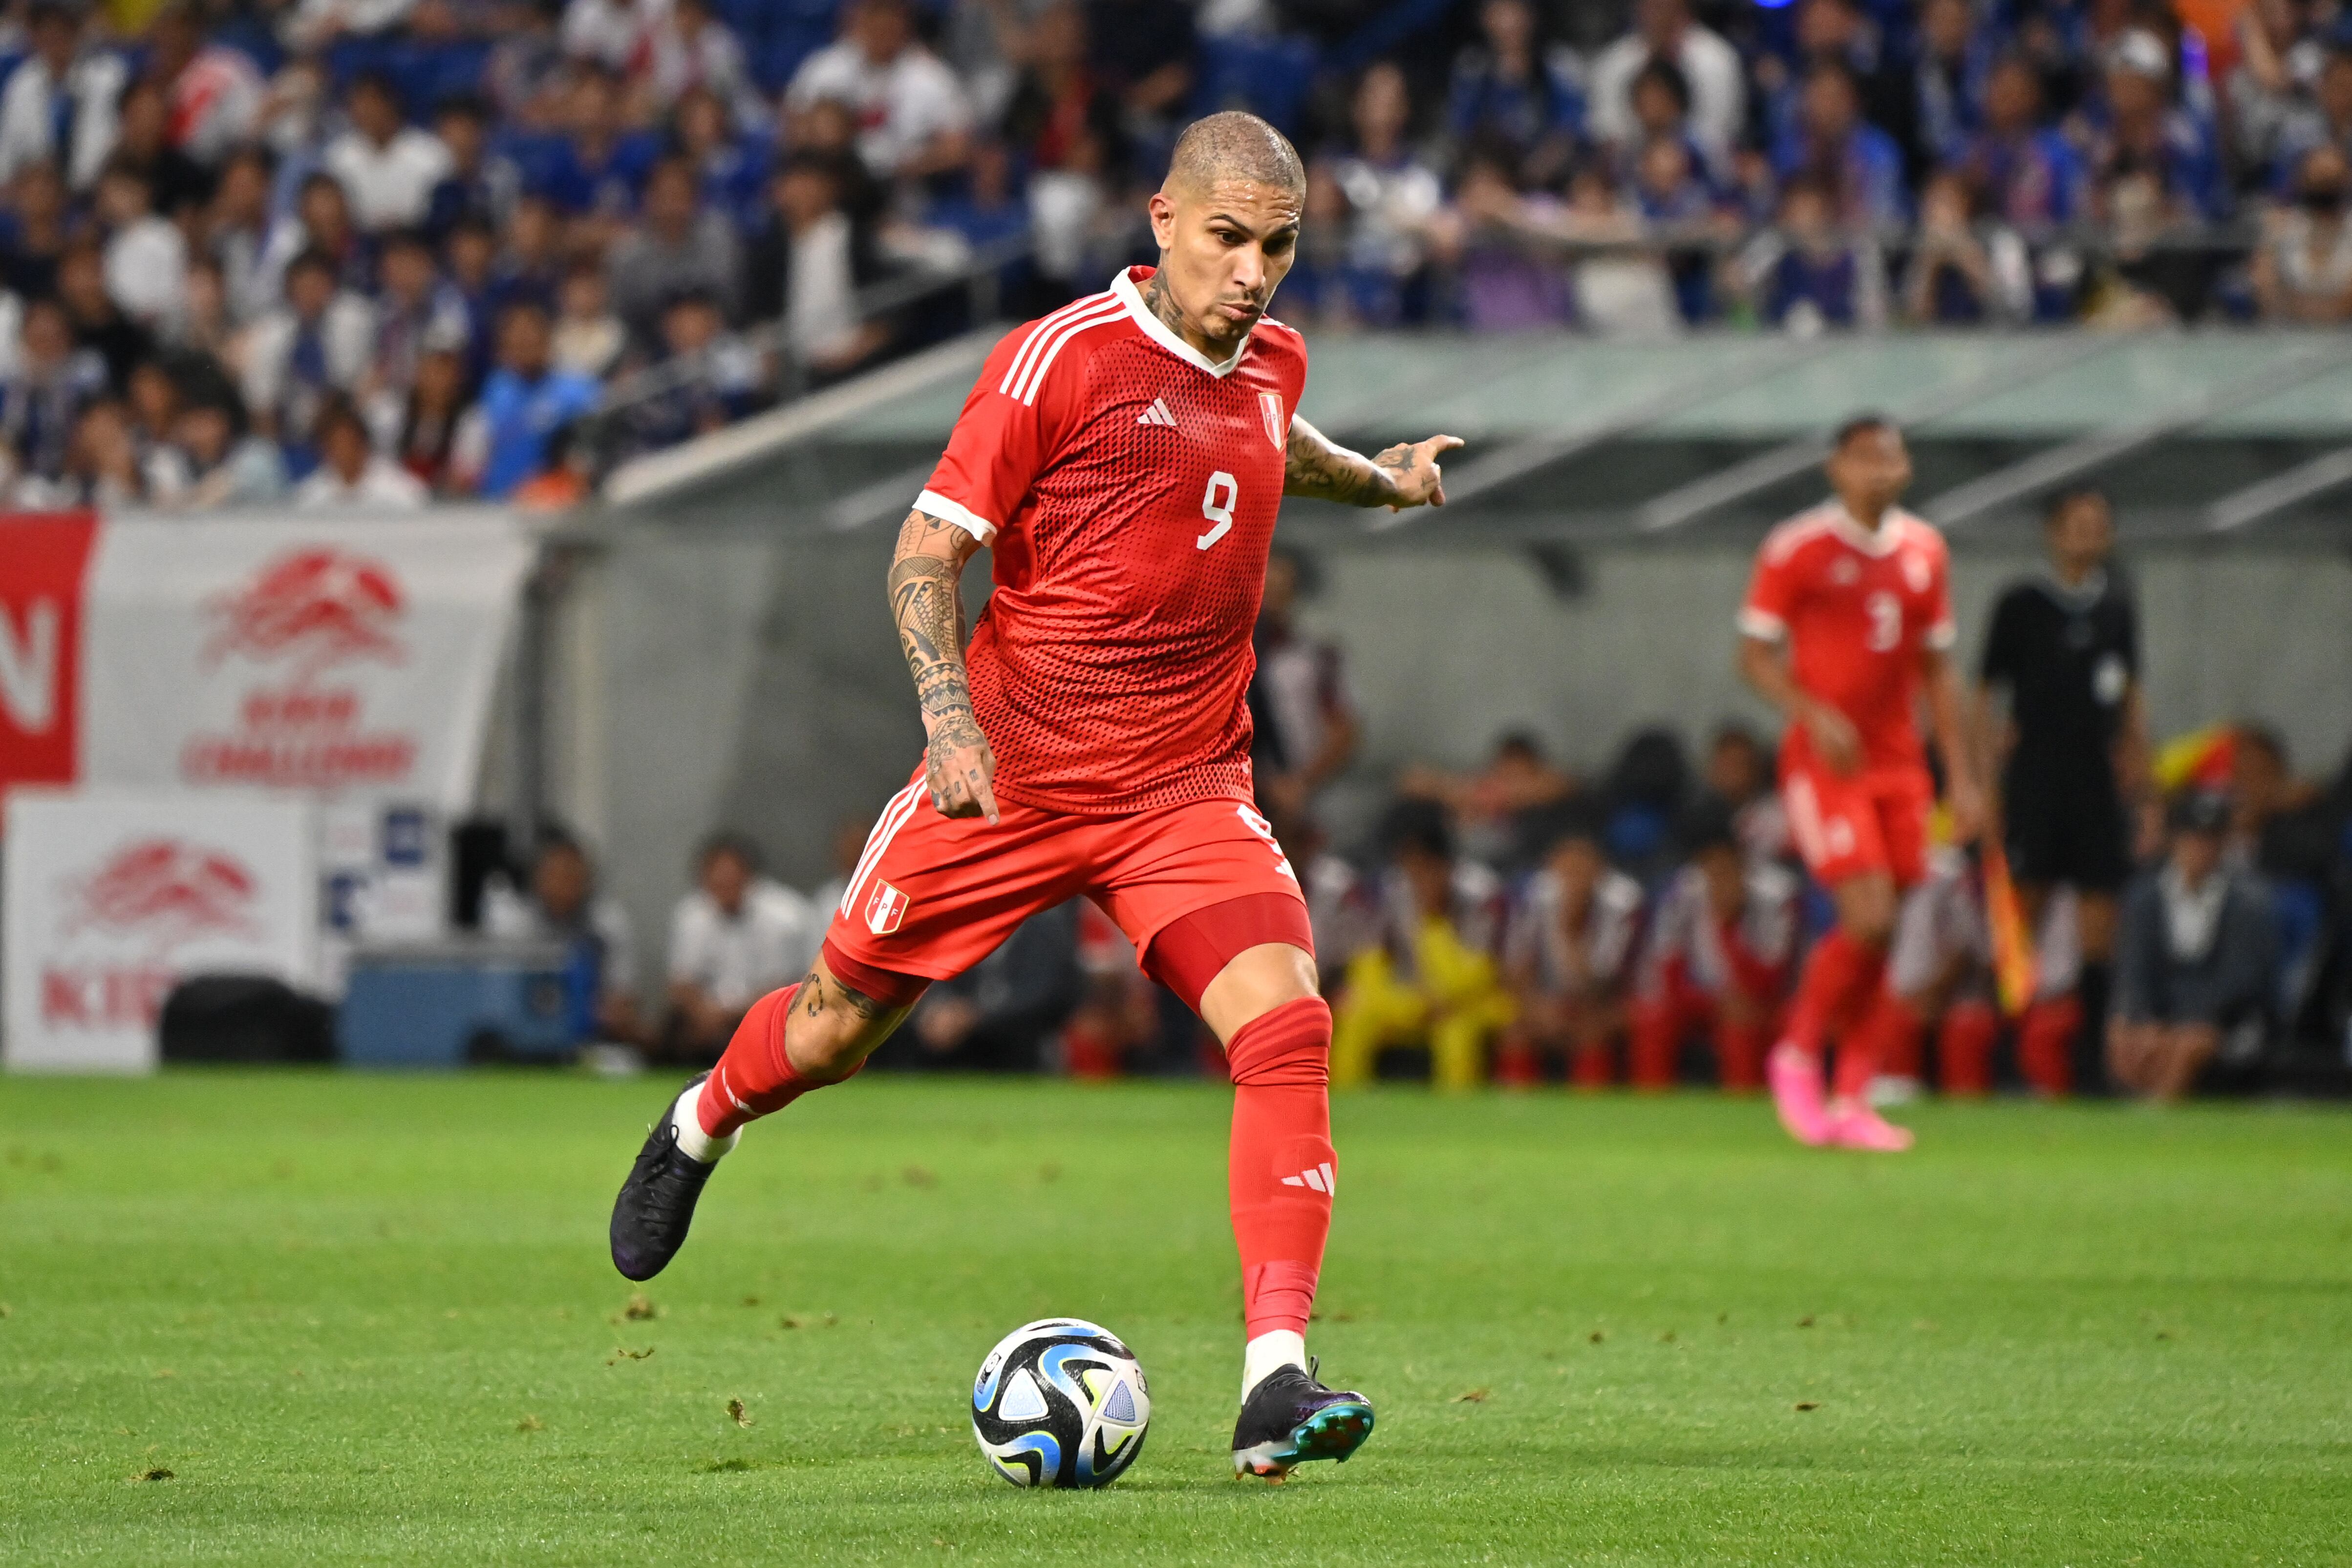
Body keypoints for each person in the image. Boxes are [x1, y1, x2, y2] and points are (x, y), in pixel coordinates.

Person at [607, 111, 1464, 1480]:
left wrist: (1387, 483)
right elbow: (924, 554)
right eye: (1228, 239)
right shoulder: (1056, 361)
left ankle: (1273, 1378)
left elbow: (1275, 442)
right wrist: (948, 726)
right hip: (1009, 773)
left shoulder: (1270, 359)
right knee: (831, 1033)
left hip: (1182, 784)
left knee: (1286, 1023)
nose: (1251, 272)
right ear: (1162, 222)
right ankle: (699, 1120)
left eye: (1279, 247)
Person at [1737, 413, 1983, 1150]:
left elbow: (1937, 671)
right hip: (1827, 763)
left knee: (1884, 932)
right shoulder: (1797, 547)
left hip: (1899, 764)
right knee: (1868, 918)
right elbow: (1753, 655)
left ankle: (1853, 1095)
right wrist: (1810, 713)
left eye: (1891, 455)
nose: (1880, 468)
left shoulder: (1924, 551)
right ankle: (1796, 1054)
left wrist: (1962, 778)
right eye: (1865, 457)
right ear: (1836, 467)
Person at [1974, 487, 2148, 1095]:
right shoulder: (2021, 604)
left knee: (2099, 920)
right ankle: (2004, 1058)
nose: (2087, 534)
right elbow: (1985, 695)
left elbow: (2131, 700)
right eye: (2076, 523)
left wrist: (2143, 789)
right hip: (2034, 778)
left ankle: (2089, 1066)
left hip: (2093, 781)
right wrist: (1983, 784)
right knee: (2022, 915)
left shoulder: (2117, 608)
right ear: (2052, 531)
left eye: (2097, 523)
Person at [1329, 800, 1512, 1091]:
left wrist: (1435, 920)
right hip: (1411, 998)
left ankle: (1456, 1117)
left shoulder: (1481, 896)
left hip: (1466, 1002)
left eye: (1424, 865)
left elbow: (1483, 972)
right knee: (1356, 1014)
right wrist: (1404, 1004)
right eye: (1409, 863)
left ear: (1445, 863)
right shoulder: (1393, 890)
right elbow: (1369, 963)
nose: (1416, 874)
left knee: (1457, 1035)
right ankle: (1349, 1108)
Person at [2110, 793, 2278, 1099]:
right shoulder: (2145, 897)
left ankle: (2157, 1121)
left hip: (2226, 1021)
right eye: (2194, 838)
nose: (2203, 849)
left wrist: (2184, 1024)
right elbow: (2135, 969)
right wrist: (2144, 1019)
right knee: (2123, 1039)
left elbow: (2241, 981)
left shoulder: (2248, 903)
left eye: (2212, 840)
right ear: (2176, 840)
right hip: (2164, 1016)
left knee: (2188, 1047)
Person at [1630, 805, 1801, 1090]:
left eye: (1728, 866)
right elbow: (1669, 968)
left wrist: (1728, 926)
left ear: (1743, 864)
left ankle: (1743, 1106)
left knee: (1741, 1025)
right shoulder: (1681, 892)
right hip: (1701, 995)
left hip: (1764, 999)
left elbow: (1770, 978)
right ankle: (1652, 1108)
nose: (1718, 876)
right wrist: (1713, 998)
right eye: (1710, 866)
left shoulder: (1777, 895)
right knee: (1654, 1017)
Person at [1497, 813, 1645, 1087]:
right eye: (1566, 866)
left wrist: (1570, 932)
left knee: (1593, 1030)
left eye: (1583, 866)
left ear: (1600, 869)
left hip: (1603, 1004)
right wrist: (1537, 1007)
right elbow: (1516, 971)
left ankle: (1591, 1116)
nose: (1574, 876)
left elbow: (1609, 983)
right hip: (1548, 1000)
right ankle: (1516, 1118)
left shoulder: (1622, 904)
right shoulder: (1534, 897)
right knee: (1516, 1030)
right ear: (1552, 865)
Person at [663, 835, 821, 1066]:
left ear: (749, 875)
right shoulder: (690, 915)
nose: (724, 884)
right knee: (675, 1025)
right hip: (706, 1019)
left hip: (769, 1015)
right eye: (715, 877)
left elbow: (787, 986)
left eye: (731, 876)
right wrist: (704, 1014)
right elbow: (681, 984)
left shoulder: (786, 916)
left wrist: (731, 1016)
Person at [485, 829, 642, 1046]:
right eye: (554, 875)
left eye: (572, 875)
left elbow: (623, 993)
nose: (563, 885)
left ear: (588, 880)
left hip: (591, 1031)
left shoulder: (607, 922)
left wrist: (609, 1010)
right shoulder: (516, 922)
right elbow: (498, 994)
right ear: (537, 878)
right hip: (523, 1028)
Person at [1249, 548, 1358, 825]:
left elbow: (1344, 732)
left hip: (1301, 793)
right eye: (1266, 588)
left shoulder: (1312, 658)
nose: (1271, 600)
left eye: (1280, 589)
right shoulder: (1225, 656)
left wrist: (1302, 782)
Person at [292, 395, 429, 508]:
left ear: (363, 445)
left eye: (348, 443)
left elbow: (419, 504)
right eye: (335, 445)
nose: (343, 451)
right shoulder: (315, 491)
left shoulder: (394, 486)